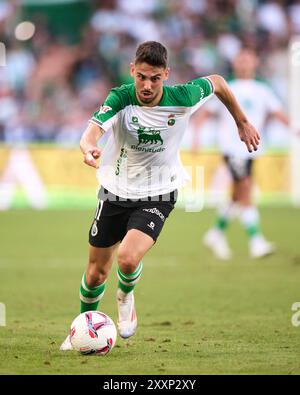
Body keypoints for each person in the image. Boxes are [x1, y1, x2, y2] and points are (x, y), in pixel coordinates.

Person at [60, 41, 260, 350]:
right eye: (141, 77)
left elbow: (218, 82)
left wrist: (241, 120)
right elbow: (91, 132)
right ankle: (82, 329)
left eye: (155, 78)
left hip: (159, 192)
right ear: (132, 71)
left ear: (166, 74)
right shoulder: (120, 98)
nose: (147, 85)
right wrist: (88, 148)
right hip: (115, 192)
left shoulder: (183, 97)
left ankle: (125, 296)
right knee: (96, 272)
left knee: (127, 258)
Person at [193, 48, 289, 260]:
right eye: (241, 59)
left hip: (252, 150)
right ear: (235, 63)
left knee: (237, 195)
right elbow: (204, 114)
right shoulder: (227, 87)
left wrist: (294, 128)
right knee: (246, 191)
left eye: (248, 59)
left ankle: (215, 233)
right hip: (233, 149)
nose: (244, 63)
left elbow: (279, 114)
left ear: (255, 62)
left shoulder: (262, 90)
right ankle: (256, 241)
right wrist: (196, 137)